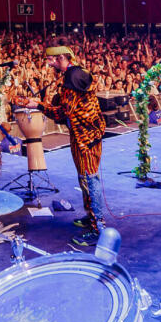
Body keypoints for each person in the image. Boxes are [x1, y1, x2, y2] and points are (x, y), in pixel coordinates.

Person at [41, 38, 108, 248]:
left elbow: (63, 112)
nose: (48, 64)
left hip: (85, 137)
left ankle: (99, 228)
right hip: (83, 133)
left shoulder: (71, 78)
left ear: (62, 57)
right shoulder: (75, 73)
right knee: (84, 178)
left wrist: (39, 105)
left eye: (51, 60)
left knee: (90, 179)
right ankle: (91, 216)